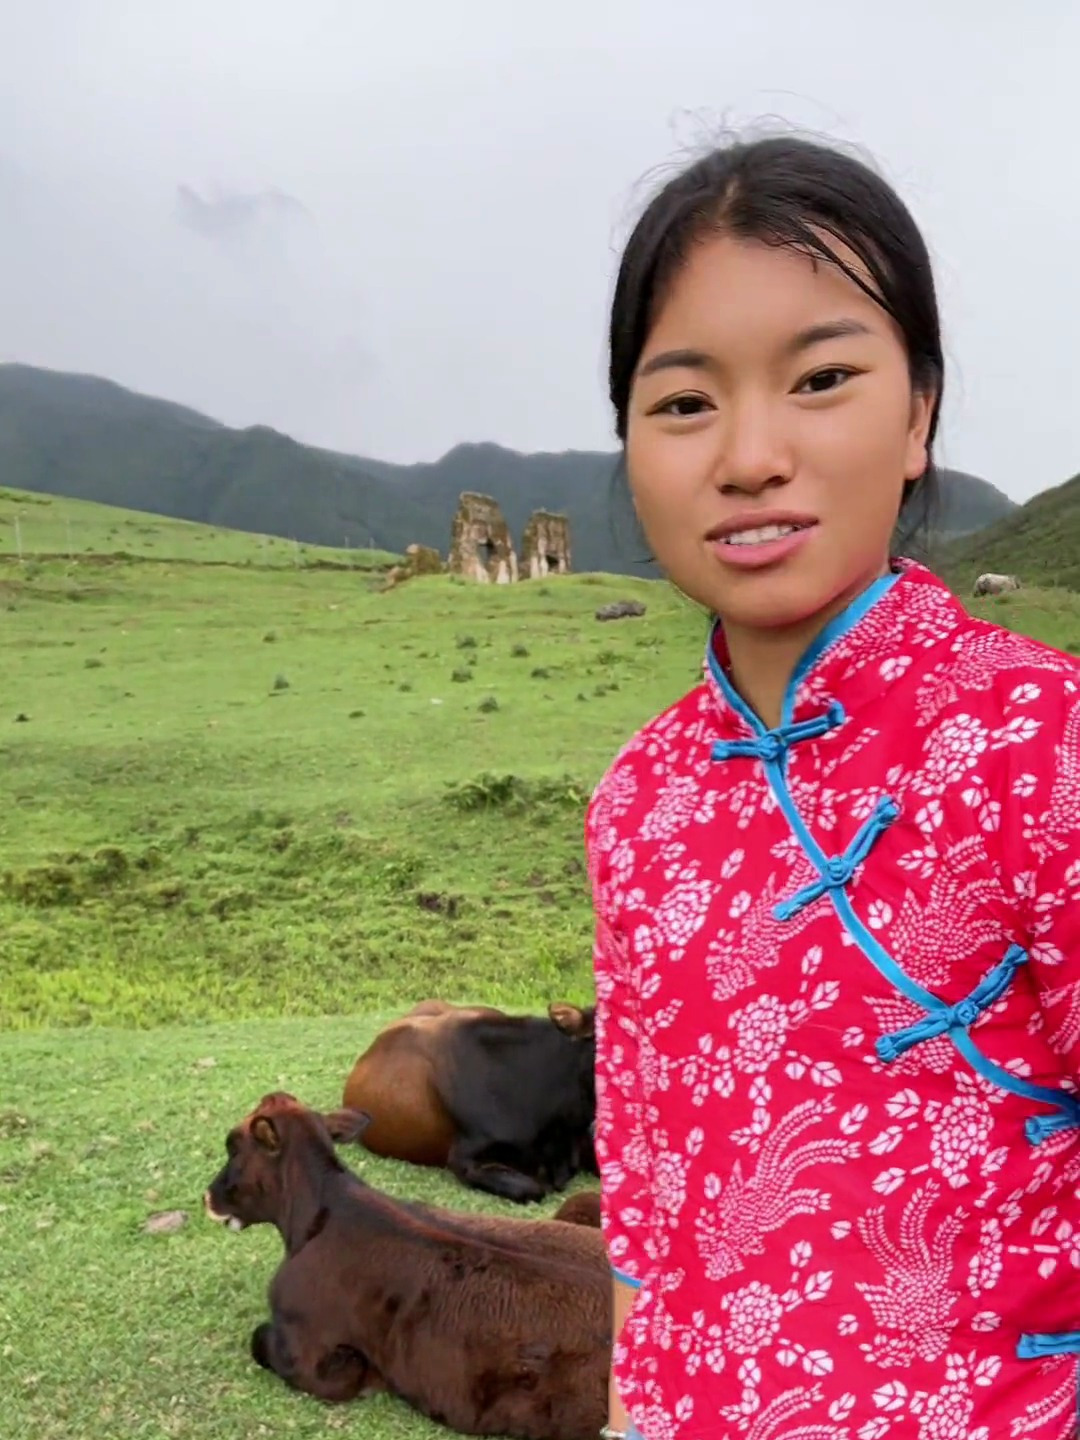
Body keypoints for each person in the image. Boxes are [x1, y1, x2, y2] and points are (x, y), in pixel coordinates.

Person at [587, 131, 1080, 1440]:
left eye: (820, 380)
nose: (748, 455)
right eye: (684, 402)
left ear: (917, 412)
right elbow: (642, 1179)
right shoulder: (637, 802)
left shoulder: (1041, 738)